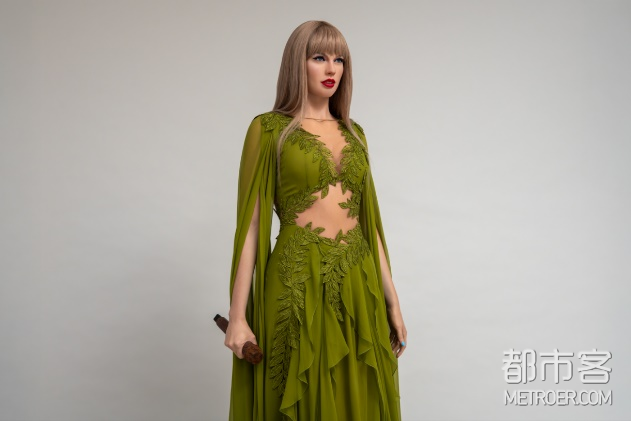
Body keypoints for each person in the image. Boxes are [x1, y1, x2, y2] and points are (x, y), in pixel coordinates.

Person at [224, 20, 407, 421]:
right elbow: (250, 227)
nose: (331, 69)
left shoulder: (355, 133)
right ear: (297, 62)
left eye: (339, 60)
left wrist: (392, 300)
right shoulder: (268, 129)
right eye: (319, 57)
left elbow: (369, 223)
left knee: (357, 399)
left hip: (358, 283)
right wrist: (237, 317)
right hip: (296, 281)